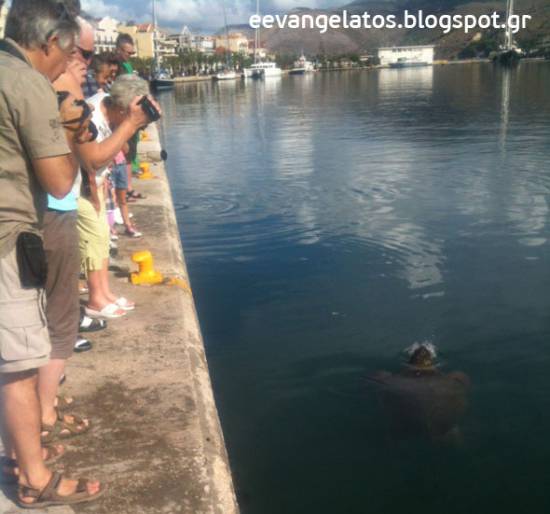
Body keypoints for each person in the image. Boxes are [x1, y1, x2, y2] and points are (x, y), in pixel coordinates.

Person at [0, 0, 103, 507]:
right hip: (6, 240)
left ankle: (19, 453)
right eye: (66, 56)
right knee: (17, 369)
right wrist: (64, 122)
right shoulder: (26, 84)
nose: (67, 68)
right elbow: (61, 180)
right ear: (48, 44)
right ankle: (32, 478)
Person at [39, 16, 96, 454]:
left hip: (44, 215)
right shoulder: (53, 92)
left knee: (45, 320)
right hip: (53, 214)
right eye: (83, 54)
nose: (86, 65)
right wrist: (132, 125)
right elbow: (85, 160)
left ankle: (46, 404)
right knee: (59, 322)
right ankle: (44, 415)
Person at [76, 73, 158, 319]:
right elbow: (93, 161)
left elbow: (121, 148)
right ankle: (95, 299)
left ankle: (104, 292)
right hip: (81, 188)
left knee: (102, 238)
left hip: (97, 185)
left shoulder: (111, 109)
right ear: (122, 107)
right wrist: (130, 124)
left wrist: (133, 125)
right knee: (92, 239)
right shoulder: (91, 113)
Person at [368, 344, 470, 443]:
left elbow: (376, 378)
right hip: (444, 427)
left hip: (403, 426)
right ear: (432, 363)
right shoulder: (454, 378)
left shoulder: (393, 379)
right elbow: (464, 382)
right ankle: (451, 434)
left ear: (410, 362)